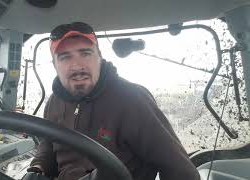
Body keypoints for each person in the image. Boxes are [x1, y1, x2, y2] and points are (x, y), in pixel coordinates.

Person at [28, 22, 200, 180]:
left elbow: (181, 171)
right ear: (54, 65)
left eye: (85, 53)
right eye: (65, 57)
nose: (77, 66)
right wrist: (38, 167)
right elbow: (49, 144)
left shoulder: (131, 99)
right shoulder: (54, 101)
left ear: (99, 58)